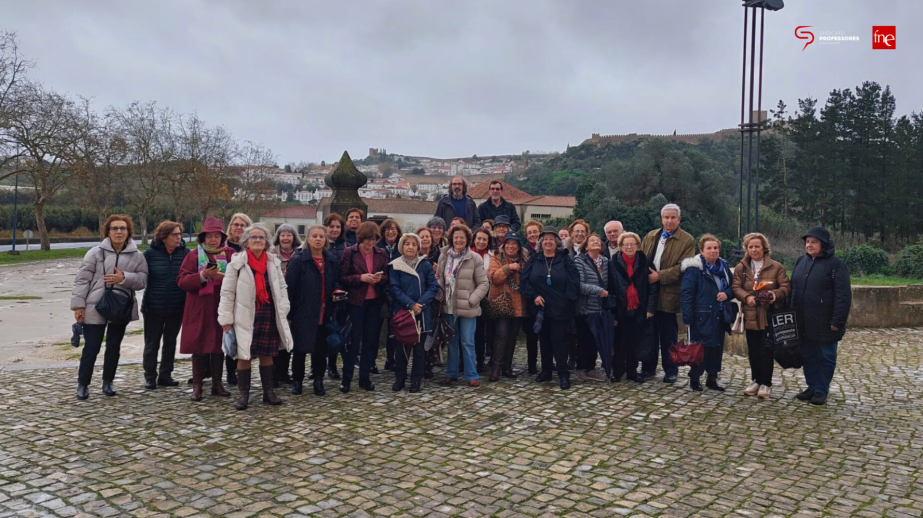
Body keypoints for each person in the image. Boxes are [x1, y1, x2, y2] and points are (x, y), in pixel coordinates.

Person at [71, 215, 149, 400]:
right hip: (94, 306)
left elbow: (142, 280)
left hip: (120, 306)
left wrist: (123, 278)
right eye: (115, 228)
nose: (119, 232)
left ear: (129, 232)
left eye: (123, 228)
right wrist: (78, 306)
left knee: (114, 347)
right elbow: (82, 280)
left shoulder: (137, 256)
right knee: (91, 347)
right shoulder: (95, 253)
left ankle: (108, 382)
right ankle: (83, 384)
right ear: (108, 231)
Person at [218, 223, 294, 410]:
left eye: (261, 237)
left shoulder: (273, 262)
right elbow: (227, 293)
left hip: (268, 314)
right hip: (244, 316)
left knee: (267, 354)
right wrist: (226, 320)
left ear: (267, 241)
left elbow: (282, 287)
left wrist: (284, 307)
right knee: (244, 355)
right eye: (254, 237)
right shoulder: (237, 263)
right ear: (246, 241)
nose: (258, 240)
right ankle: (244, 394)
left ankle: (268, 393)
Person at [790, 226, 852, 406]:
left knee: (825, 357)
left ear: (823, 245)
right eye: (807, 242)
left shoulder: (836, 264)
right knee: (808, 355)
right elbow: (794, 290)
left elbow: (843, 296)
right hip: (804, 320)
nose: (809, 245)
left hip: (826, 323)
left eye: (813, 242)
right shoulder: (801, 261)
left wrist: (837, 321)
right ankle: (811, 386)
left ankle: (821, 389)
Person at [177, 216, 233, 401]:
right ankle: (197, 385)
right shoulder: (193, 255)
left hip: (221, 306)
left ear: (222, 237)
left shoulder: (231, 254)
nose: (213, 240)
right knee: (199, 345)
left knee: (218, 346)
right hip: (199, 307)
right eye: (209, 236)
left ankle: (217, 384)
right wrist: (202, 276)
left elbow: (240, 278)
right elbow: (182, 281)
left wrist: (223, 277)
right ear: (203, 238)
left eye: (216, 236)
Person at [641, 203, 696, 383]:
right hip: (649, 292)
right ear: (661, 218)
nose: (669, 221)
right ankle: (647, 367)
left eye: (673, 217)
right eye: (666, 217)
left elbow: (683, 266)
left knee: (668, 336)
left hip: (668, 293)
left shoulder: (687, 240)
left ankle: (670, 370)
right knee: (649, 333)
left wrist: (660, 276)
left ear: (679, 219)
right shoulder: (651, 235)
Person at [732, 232, 791, 399]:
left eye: (757, 246)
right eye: (750, 247)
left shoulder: (776, 267)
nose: (754, 249)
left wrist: (773, 295)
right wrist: (747, 297)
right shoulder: (741, 268)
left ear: (764, 248)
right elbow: (736, 287)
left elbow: (786, 287)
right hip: (750, 314)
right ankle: (755, 380)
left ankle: (766, 382)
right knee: (753, 350)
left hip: (768, 314)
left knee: (766, 349)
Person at [521, 227, 580, 390]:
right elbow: (524, 282)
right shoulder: (534, 260)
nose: (548, 242)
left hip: (560, 309)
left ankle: (563, 373)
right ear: (541, 243)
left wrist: (565, 299)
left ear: (557, 243)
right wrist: (534, 296)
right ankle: (546, 370)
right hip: (540, 308)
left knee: (559, 342)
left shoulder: (565, 259)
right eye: (545, 239)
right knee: (544, 341)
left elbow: (575, 281)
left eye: (551, 239)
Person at [286, 225, 342, 397]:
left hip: (325, 311)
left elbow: (336, 282)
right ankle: (297, 381)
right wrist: (290, 313)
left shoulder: (331, 260)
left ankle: (318, 380)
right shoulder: (298, 259)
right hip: (303, 311)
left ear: (325, 240)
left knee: (320, 349)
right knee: (300, 349)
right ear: (308, 239)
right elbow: (290, 288)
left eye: (321, 236)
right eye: (314, 236)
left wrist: (337, 291)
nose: (318, 239)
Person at [338, 221, 390, 392]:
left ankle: (365, 377)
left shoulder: (381, 253)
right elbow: (343, 277)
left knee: (370, 341)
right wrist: (361, 278)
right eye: (368, 240)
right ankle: (347, 378)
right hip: (356, 302)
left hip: (374, 302)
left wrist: (378, 279)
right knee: (353, 340)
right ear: (361, 238)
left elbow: (387, 277)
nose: (370, 243)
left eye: (374, 239)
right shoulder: (350, 252)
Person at [437, 224, 489, 387]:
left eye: (462, 237)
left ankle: (471, 374)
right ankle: (451, 373)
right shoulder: (444, 256)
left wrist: (471, 300)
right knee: (451, 341)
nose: (458, 240)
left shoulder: (474, 258)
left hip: (468, 307)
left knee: (467, 341)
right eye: (456, 237)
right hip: (449, 306)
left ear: (467, 239)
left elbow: (483, 284)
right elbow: (439, 279)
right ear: (451, 238)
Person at [680, 235, 734, 392]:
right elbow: (687, 294)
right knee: (700, 349)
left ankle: (712, 378)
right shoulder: (694, 269)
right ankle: (695, 378)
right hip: (701, 316)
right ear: (701, 251)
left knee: (716, 348)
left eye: (715, 248)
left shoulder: (723, 266)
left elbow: (734, 286)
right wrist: (687, 317)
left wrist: (727, 294)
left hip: (719, 314)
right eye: (709, 248)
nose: (713, 251)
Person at [141, 220, 190, 390]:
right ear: (163, 237)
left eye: (179, 234)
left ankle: (165, 375)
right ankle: (150, 376)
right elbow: (141, 279)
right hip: (153, 306)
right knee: (151, 343)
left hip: (177, 306)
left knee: (170, 342)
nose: (178, 238)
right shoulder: (149, 255)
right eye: (174, 234)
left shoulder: (185, 253)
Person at [388, 233, 439, 393]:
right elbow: (394, 289)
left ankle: (416, 380)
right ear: (402, 247)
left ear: (418, 247)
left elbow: (433, 287)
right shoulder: (395, 266)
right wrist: (410, 304)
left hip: (422, 313)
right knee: (401, 348)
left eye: (413, 244)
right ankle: (400, 379)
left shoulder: (425, 265)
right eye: (407, 244)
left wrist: (420, 304)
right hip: (403, 312)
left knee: (419, 350)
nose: (410, 247)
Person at [609, 232, 658, 382]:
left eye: (632, 244)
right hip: (620, 308)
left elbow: (653, 287)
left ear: (637, 246)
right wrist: (613, 312)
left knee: (635, 341)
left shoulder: (645, 261)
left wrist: (650, 308)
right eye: (626, 244)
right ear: (621, 247)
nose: (629, 247)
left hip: (639, 308)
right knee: (619, 342)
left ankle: (632, 372)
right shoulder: (613, 262)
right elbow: (610, 287)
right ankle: (617, 372)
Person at [486, 231, 529, 381]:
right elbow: (494, 278)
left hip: (519, 304)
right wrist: (509, 267)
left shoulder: (525, 259)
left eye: (514, 243)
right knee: (502, 335)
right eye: (508, 243)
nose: (511, 246)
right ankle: (496, 367)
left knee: (512, 337)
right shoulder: (497, 257)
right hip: (502, 303)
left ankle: (507, 366)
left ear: (518, 246)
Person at [574, 234, 610, 382]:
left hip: (600, 308)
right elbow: (578, 285)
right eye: (592, 241)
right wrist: (598, 291)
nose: (596, 242)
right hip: (585, 307)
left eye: (598, 240)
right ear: (586, 246)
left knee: (596, 340)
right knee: (584, 340)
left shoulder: (606, 262)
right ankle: (581, 369)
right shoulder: (579, 261)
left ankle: (591, 368)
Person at [222, 212, 252, 385]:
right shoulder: (223, 248)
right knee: (229, 335)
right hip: (227, 296)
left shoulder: (251, 248)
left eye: (243, 225)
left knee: (243, 336)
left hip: (246, 297)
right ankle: (229, 372)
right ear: (230, 227)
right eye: (236, 224)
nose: (239, 228)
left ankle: (241, 371)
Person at [272, 223, 303, 387]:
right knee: (276, 340)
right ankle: (274, 374)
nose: (285, 238)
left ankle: (285, 373)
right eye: (282, 234)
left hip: (294, 302)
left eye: (289, 235)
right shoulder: (271, 254)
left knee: (289, 339)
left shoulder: (300, 254)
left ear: (294, 238)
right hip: (275, 301)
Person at [376, 218, 403, 372]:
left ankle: (391, 359)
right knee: (376, 327)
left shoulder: (401, 247)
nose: (390, 232)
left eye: (393, 229)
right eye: (387, 229)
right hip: (380, 292)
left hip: (397, 292)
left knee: (394, 329)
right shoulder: (378, 247)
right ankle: (372, 360)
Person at [324, 212, 348, 380]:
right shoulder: (318, 245)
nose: (334, 229)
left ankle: (332, 365)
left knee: (335, 330)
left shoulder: (345, 248)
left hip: (338, 295)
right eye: (331, 226)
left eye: (337, 226)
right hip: (320, 294)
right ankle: (316, 365)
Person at [521, 220, 544, 373]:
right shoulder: (523, 253)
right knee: (531, 335)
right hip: (529, 298)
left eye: (535, 232)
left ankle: (547, 363)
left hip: (547, 298)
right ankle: (531, 365)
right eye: (529, 233)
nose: (533, 235)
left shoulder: (548, 249)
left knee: (546, 334)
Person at [471, 227, 495, 371]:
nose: (481, 241)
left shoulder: (492, 256)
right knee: (467, 332)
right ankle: (464, 360)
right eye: (479, 238)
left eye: (484, 239)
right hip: (467, 295)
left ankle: (480, 362)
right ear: (474, 239)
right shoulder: (467, 253)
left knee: (480, 331)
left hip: (485, 297)